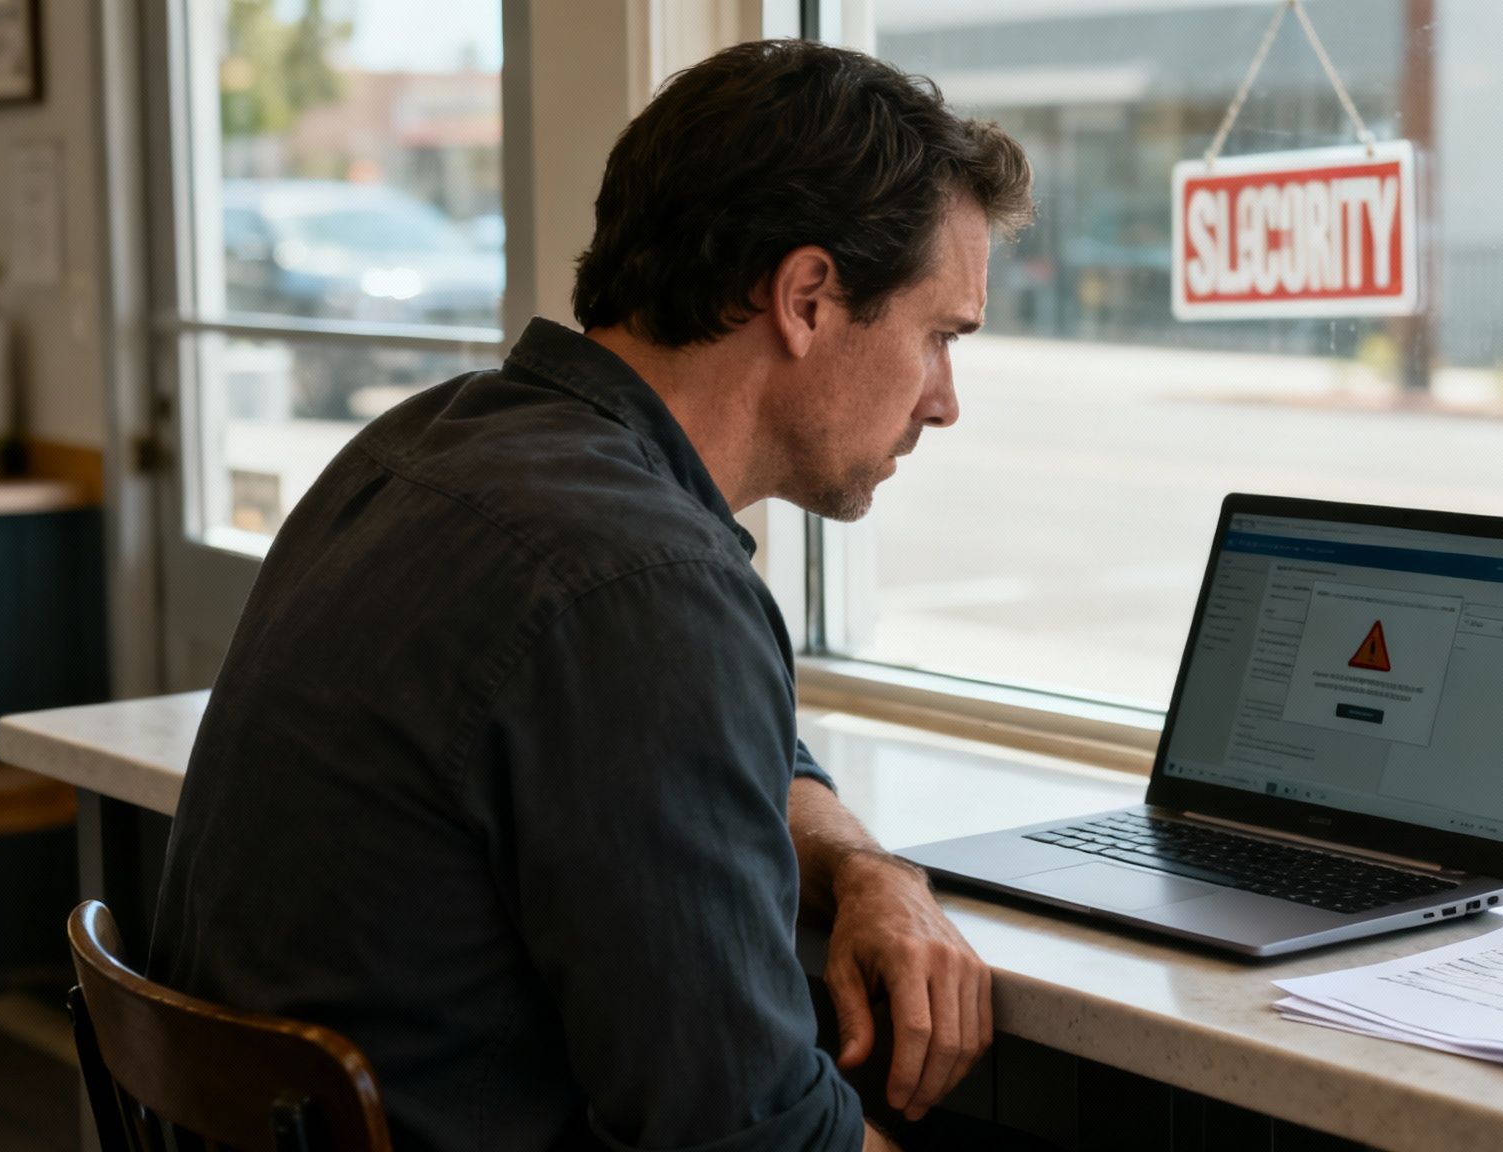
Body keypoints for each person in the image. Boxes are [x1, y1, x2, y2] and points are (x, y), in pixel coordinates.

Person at [148, 39, 1034, 1152]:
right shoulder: (642, 585)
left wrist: (862, 868)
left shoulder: (428, 443)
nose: (944, 401)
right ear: (806, 298)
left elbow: (709, 754)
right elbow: (745, 1139)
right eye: (938, 337)